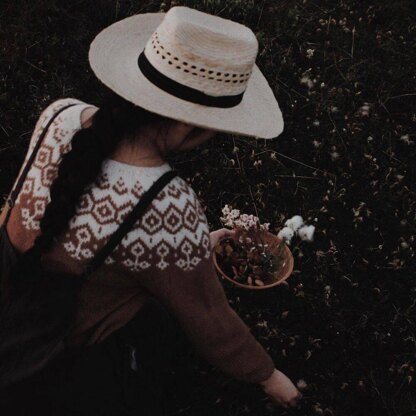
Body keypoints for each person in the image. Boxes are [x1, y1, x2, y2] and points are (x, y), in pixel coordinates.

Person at [0, 5, 301, 415]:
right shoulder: (167, 207)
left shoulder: (60, 113)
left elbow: (73, 215)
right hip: (60, 347)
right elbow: (211, 322)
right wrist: (268, 376)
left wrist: (187, 250)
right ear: (189, 126)